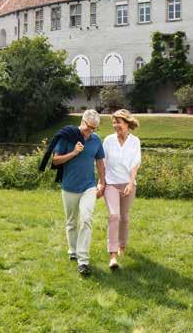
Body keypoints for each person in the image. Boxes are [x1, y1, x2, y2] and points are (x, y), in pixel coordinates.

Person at [52, 110, 105, 277]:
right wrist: (74, 152)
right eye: (88, 127)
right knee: (71, 222)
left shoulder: (96, 140)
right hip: (69, 186)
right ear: (82, 121)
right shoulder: (67, 136)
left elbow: (100, 162)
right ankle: (73, 250)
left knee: (87, 219)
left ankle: (83, 260)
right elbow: (55, 160)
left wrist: (102, 182)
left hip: (88, 187)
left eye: (94, 129)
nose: (90, 132)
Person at [103, 109, 141, 270]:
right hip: (110, 183)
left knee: (124, 217)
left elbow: (135, 164)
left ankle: (122, 246)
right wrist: (101, 182)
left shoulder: (135, 141)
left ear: (127, 123)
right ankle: (112, 256)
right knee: (114, 215)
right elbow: (102, 163)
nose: (115, 125)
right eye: (114, 122)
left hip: (128, 184)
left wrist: (131, 183)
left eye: (118, 122)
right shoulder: (108, 140)